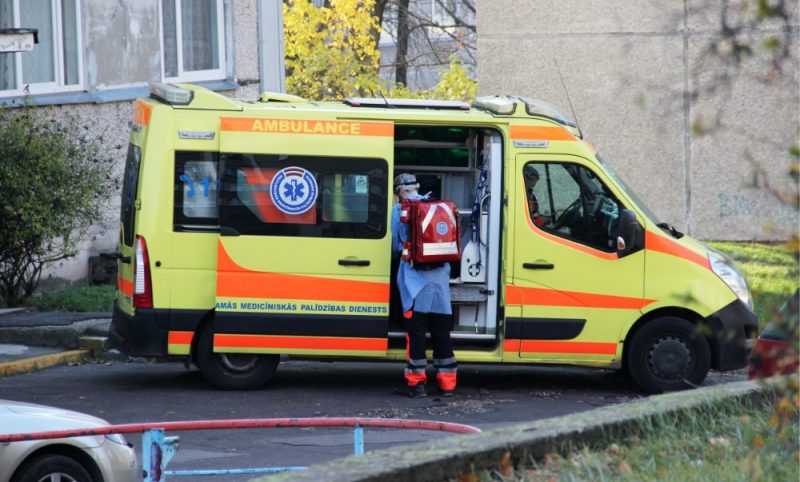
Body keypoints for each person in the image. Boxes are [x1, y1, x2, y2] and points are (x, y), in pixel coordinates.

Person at [390, 173, 457, 398]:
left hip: (414, 283)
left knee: (416, 334)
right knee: (441, 333)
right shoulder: (437, 206)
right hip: (440, 283)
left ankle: (416, 383)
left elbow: (397, 245)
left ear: (398, 191)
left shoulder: (398, 210)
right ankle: (447, 384)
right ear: (416, 186)